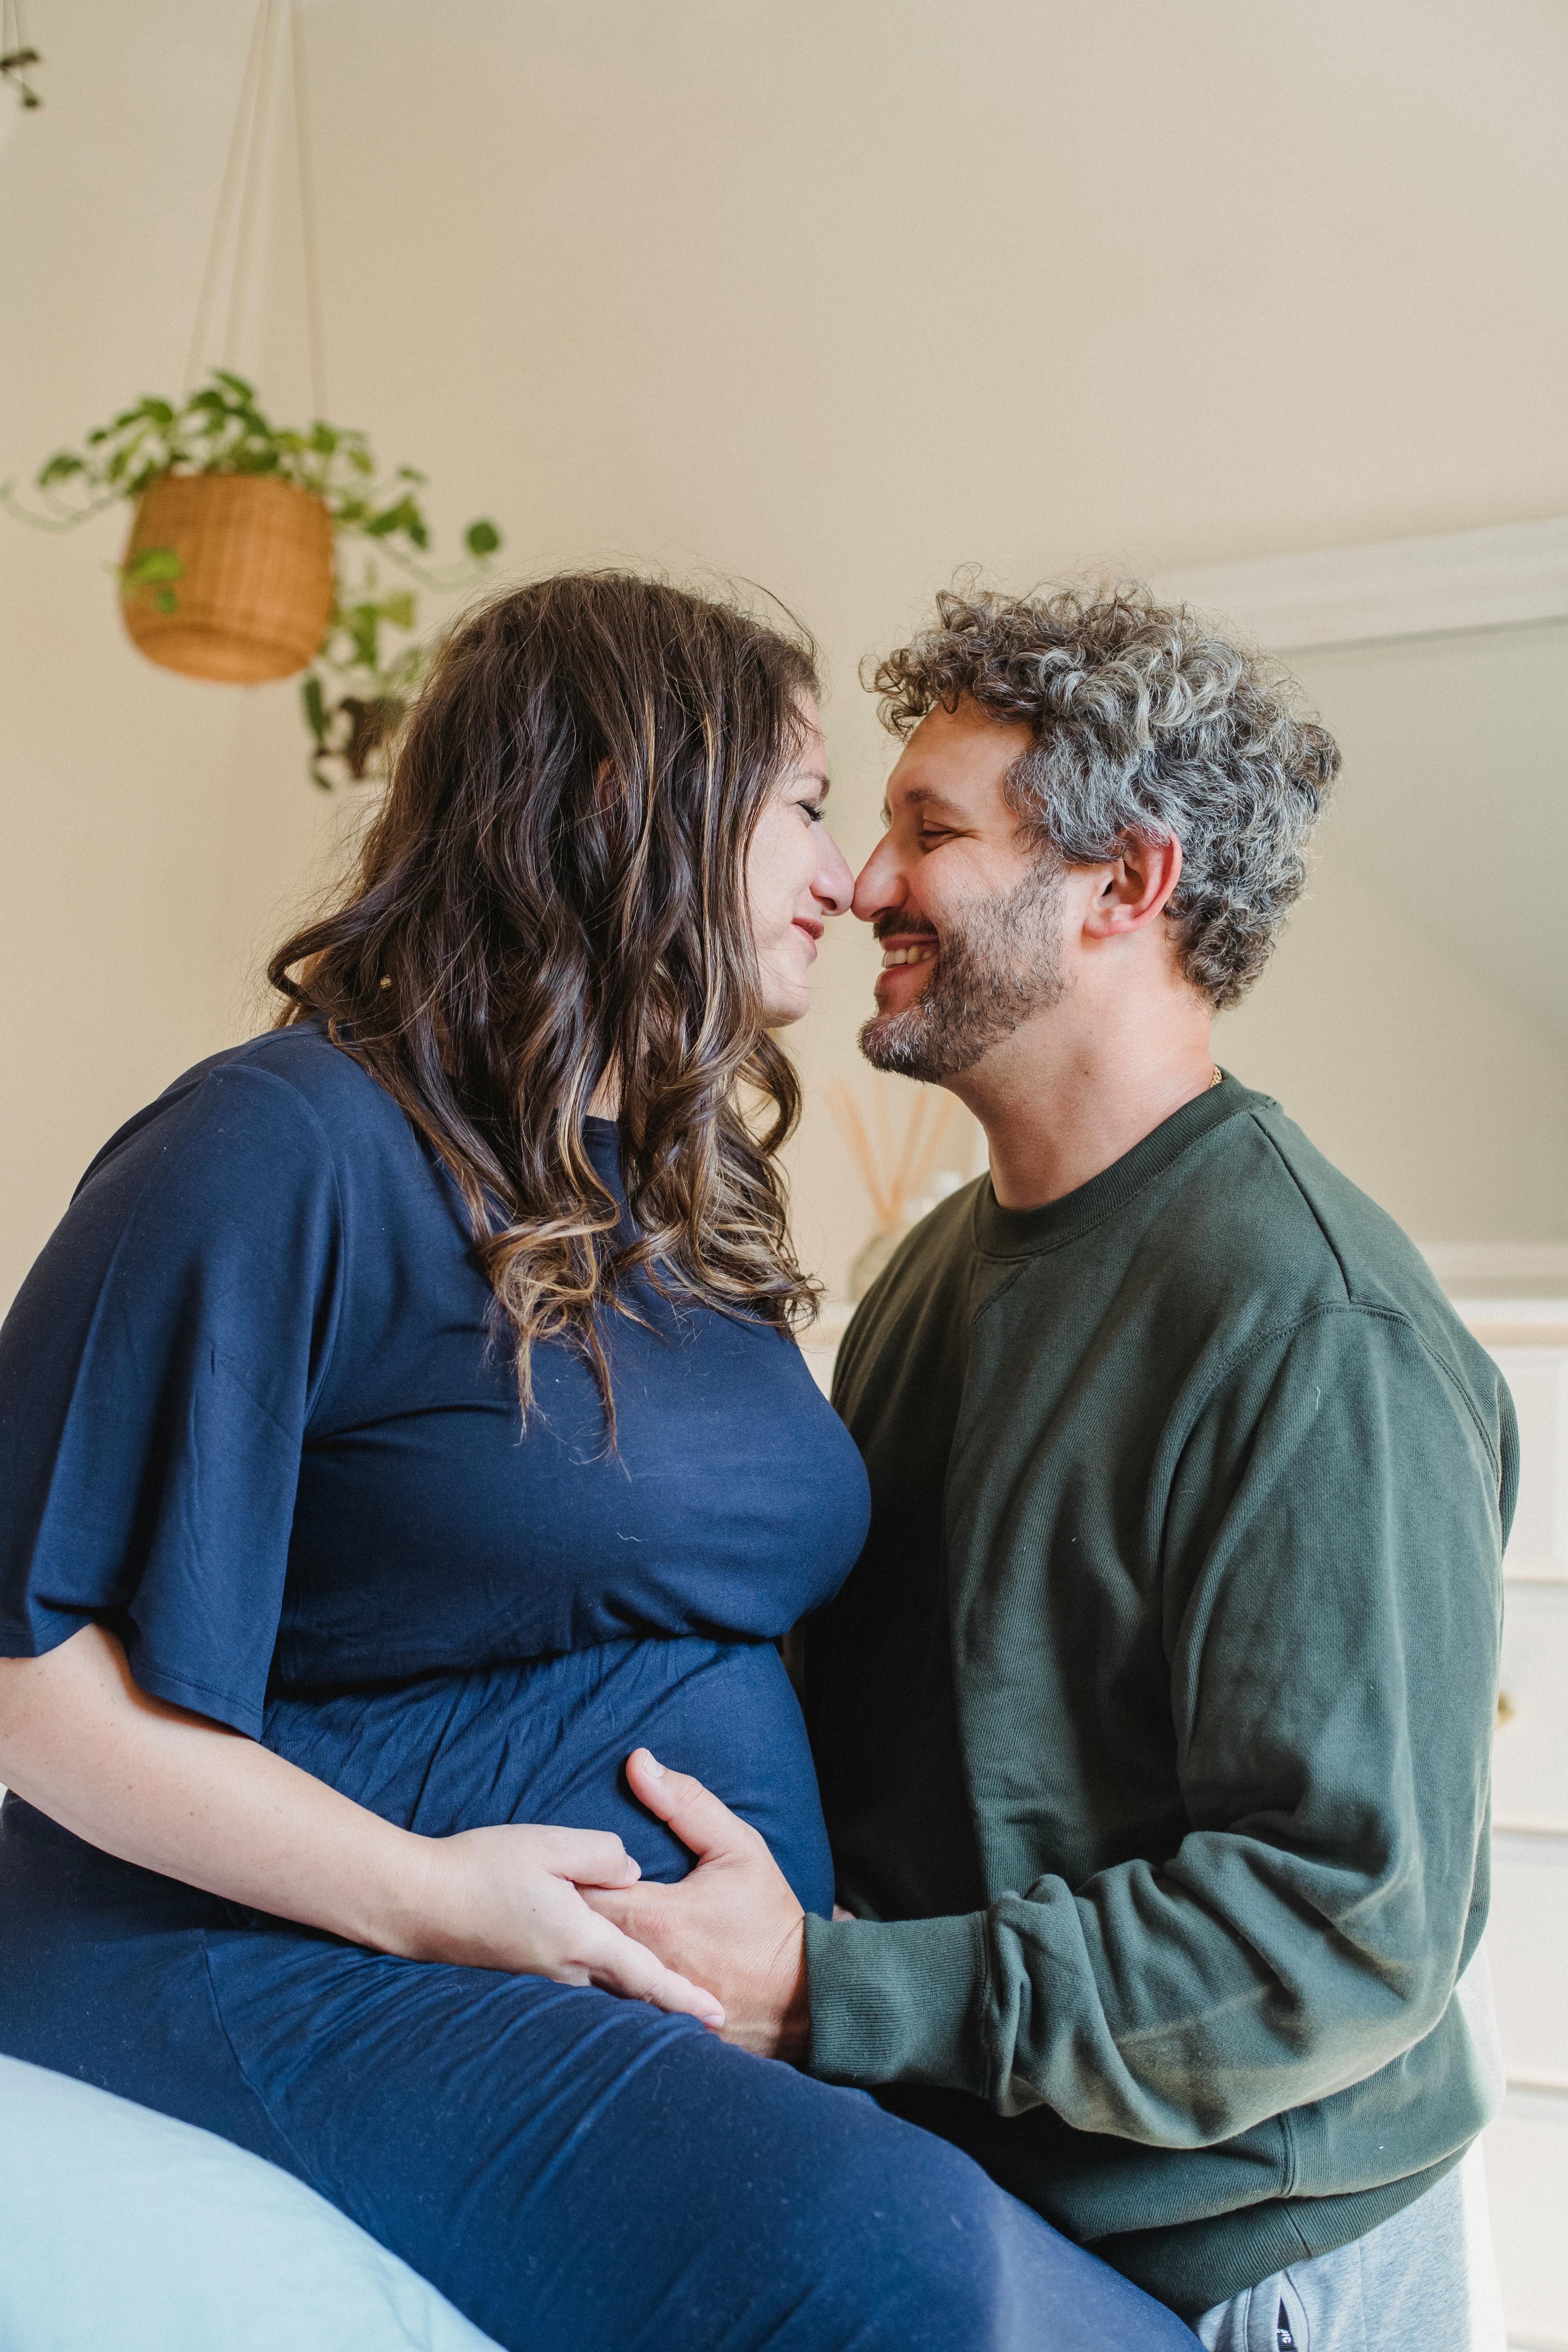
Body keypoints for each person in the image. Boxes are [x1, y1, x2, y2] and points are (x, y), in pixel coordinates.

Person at [0, 575, 1199, 2352]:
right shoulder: (281, 1143)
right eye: (804, 806)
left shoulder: (662, 1196)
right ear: (629, 806)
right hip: (261, 1949)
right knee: (888, 2266)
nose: (847, 877)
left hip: (636, 1970)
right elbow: (28, 1676)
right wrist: (425, 1902)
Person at [586, 584, 1514, 2352]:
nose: (864, 883)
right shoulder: (931, 1276)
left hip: (1251, 2272)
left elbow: (1338, 1932)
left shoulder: (1312, 1330)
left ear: (1126, 885)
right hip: (980, 2225)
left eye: (933, 831)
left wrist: (832, 1989)